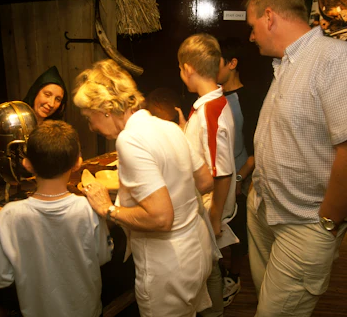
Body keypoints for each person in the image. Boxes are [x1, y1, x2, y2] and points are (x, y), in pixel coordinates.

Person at [73, 59, 216, 317]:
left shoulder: (130, 139)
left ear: (104, 108)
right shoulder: (168, 127)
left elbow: (161, 217)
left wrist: (109, 208)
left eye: (88, 117)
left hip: (168, 265)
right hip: (196, 250)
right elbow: (205, 181)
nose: (91, 126)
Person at [245, 0, 347, 316]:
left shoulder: (334, 58)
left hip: (303, 224)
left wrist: (328, 222)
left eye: (253, 24)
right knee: (270, 303)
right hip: (265, 210)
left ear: (269, 16)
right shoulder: (287, 63)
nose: (251, 35)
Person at [0, 120, 113, 317]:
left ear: (27, 164)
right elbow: (104, 256)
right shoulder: (89, 209)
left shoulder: (9, 216)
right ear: (77, 163)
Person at [177, 33, 236, 317]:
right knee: (208, 268)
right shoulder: (208, 105)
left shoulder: (211, 110)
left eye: (180, 69)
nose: (180, 74)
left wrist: (214, 219)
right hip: (207, 203)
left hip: (208, 204)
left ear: (188, 68)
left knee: (208, 271)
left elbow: (221, 173)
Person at [217, 38, 259, 306]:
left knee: (235, 233)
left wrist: (240, 178)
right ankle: (218, 275)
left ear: (232, 64)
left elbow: (257, 148)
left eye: (216, 63)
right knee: (216, 229)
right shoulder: (212, 97)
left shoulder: (250, 98)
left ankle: (234, 277)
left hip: (240, 176)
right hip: (216, 178)